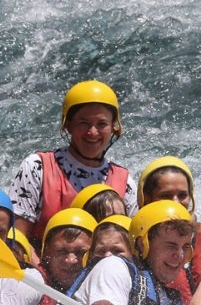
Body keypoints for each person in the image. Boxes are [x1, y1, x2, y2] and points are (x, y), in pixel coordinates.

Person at [7, 80, 136, 248]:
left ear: (113, 128)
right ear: (68, 125)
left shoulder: (126, 184)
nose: (93, 132)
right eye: (83, 123)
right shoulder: (37, 167)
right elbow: (18, 239)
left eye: (102, 124)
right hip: (39, 271)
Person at [56, 200, 197, 305]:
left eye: (185, 247)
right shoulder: (112, 267)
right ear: (142, 245)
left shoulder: (167, 298)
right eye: (171, 246)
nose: (180, 255)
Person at [0, 208, 97, 305]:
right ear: (47, 251)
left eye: (80, 253)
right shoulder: (28, 283)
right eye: (62, 251)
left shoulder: (93, 287)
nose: (71, 260)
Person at [136, 155, 201, 304]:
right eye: (166, 195)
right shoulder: (130, 240)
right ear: (146, 198)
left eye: (182, 195)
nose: (176, 202)